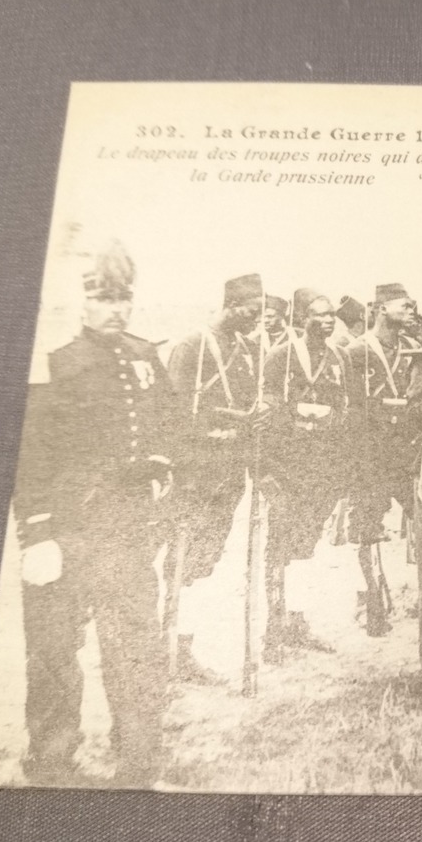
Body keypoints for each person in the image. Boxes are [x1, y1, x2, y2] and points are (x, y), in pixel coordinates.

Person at [11, 236, 175, 787]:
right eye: (104, 298)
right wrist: (36, 533)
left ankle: (137, 754)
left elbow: (167, 427)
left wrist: (161, 465)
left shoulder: (143, 355)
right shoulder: (55, 361)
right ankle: (53, 760)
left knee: (134, 645)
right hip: (67, 530)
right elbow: (30, 453)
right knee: (55, 651)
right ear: (83, 302)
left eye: (123, 297)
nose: (116, 309)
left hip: (126, 531)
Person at [163, 273, 268, 680]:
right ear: (231, 305)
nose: (257, 320)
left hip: (228, 474)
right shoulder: (193, 345)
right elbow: (171, 414)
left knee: (204, 562)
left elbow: (246, 400)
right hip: (194, 473)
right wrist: (228, 420)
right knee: (181, 560)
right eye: (251, 311)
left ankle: (182, 648)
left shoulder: (244, 346)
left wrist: (254, 416)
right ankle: (167, 649)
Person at [256, 288, 348, 659]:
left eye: (331, 316)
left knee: (307, 545)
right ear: (301, 319)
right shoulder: (280, 356)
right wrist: (266, 473)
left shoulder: (339, 357)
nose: (327, 321)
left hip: (322, 467)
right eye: (318, 315)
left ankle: (298, 623)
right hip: (286, 467)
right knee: (279, 547)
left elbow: (347, 407)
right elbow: (266, 413)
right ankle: (273, 632)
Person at [344, 282, 422, 634]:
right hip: (371, 452)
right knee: (368, 527)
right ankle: (373, 600)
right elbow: (350, 406)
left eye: (413, 304)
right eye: (404, 305)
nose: (411, 310)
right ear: (381, 308)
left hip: (407, 451)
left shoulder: (415, 349)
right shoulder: (356, 351)